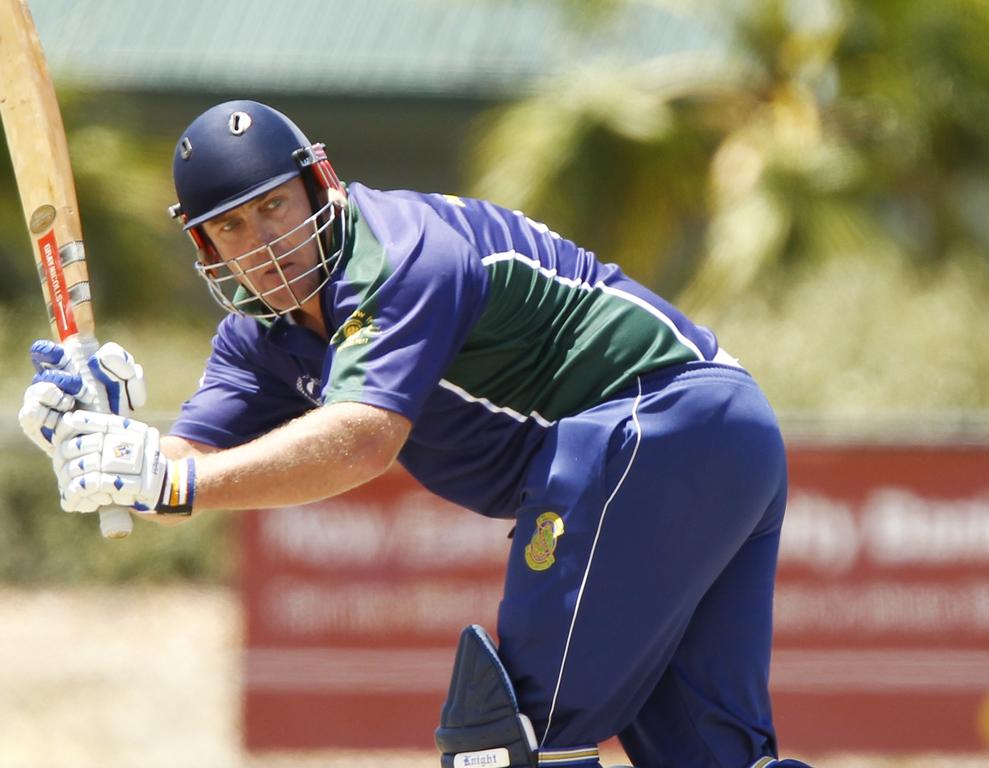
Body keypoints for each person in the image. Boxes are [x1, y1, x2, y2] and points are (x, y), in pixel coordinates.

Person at [19, 100, 811, 768]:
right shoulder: (255, 341)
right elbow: (183, 477)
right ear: (204, 246)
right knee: (711, 758)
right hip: (701, 450)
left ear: (318, 186)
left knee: (505, 743)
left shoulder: (402, 254)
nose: (262, 242)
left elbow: (363, 440)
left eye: (274, 206)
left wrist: (170, 480)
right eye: (231, 227)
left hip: (665, 424)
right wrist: (108, 441)